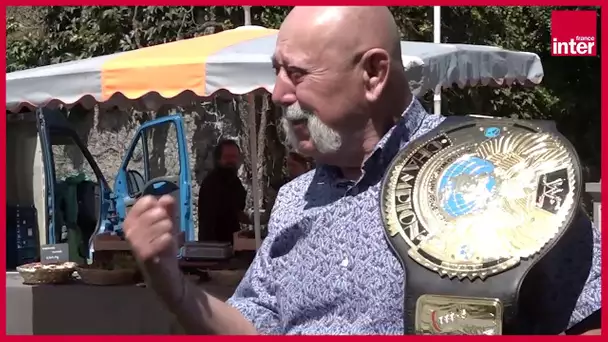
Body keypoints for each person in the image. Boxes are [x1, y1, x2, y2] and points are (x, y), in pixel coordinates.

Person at [123, 7, 601, 335]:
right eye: (277, 71)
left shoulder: (497, 168)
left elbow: (590, 318)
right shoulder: (293, 199)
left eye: (298, 73)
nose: (278, 93)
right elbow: (254, 327)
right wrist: (173, 286)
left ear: (373, 74)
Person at [197, 139, 249, 244]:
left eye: (234, 157)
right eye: (227, 157)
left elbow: (238, 209)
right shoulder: (211, 183)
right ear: (218, 159)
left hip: (231, 244)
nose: (231, 161)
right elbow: (210, 222)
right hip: (214, 247)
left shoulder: (235, 181)